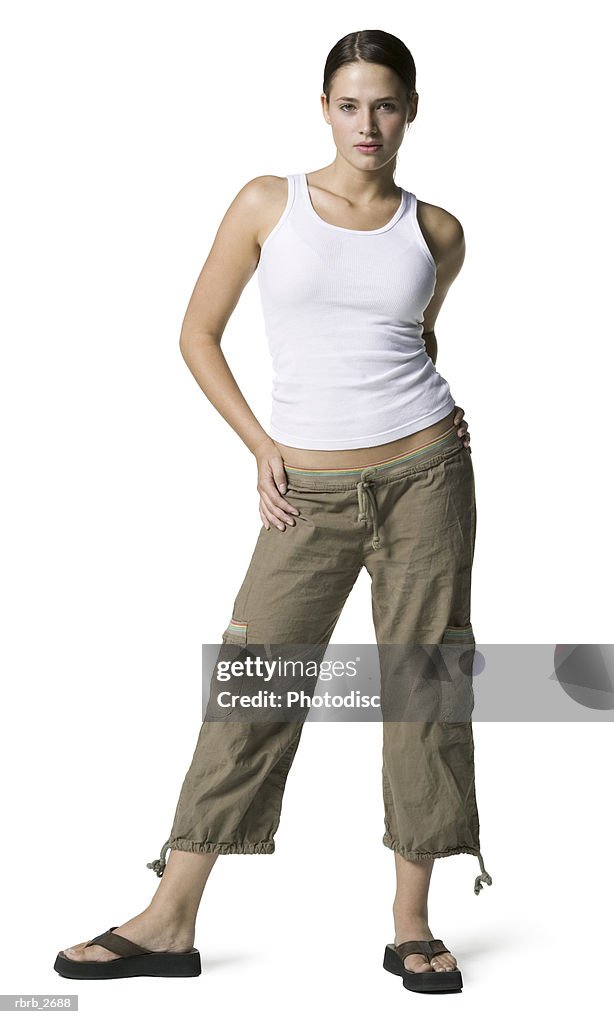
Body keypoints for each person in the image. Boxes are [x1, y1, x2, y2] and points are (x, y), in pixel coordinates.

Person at [55, 28, 491, 994]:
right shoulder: (269, 203)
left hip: (426, 471)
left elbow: (409, 339)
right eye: (348, 103)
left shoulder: (438, 231)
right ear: (324, 107)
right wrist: (261, 444)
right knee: (254, 682)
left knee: (424, 685)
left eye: (384, 104)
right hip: (306, 490)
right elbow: (197, 334)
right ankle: (170, 919)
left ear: (411, 110)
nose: (366, 124)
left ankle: (412, 922)